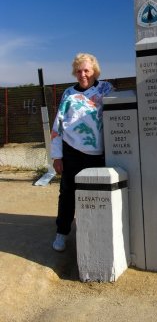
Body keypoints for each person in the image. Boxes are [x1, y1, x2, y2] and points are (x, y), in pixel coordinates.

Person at [51, 52, 113, 252]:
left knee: (98, 195)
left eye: (86, 70)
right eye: (79, 71)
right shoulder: (68, 93)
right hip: (72, 152)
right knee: (67, 194)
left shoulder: (106, 89)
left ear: (94, 71)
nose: (83, 74)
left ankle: (96, 233)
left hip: (99, 153)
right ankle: (62, 233)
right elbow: (58, 125)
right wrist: (57, 156)